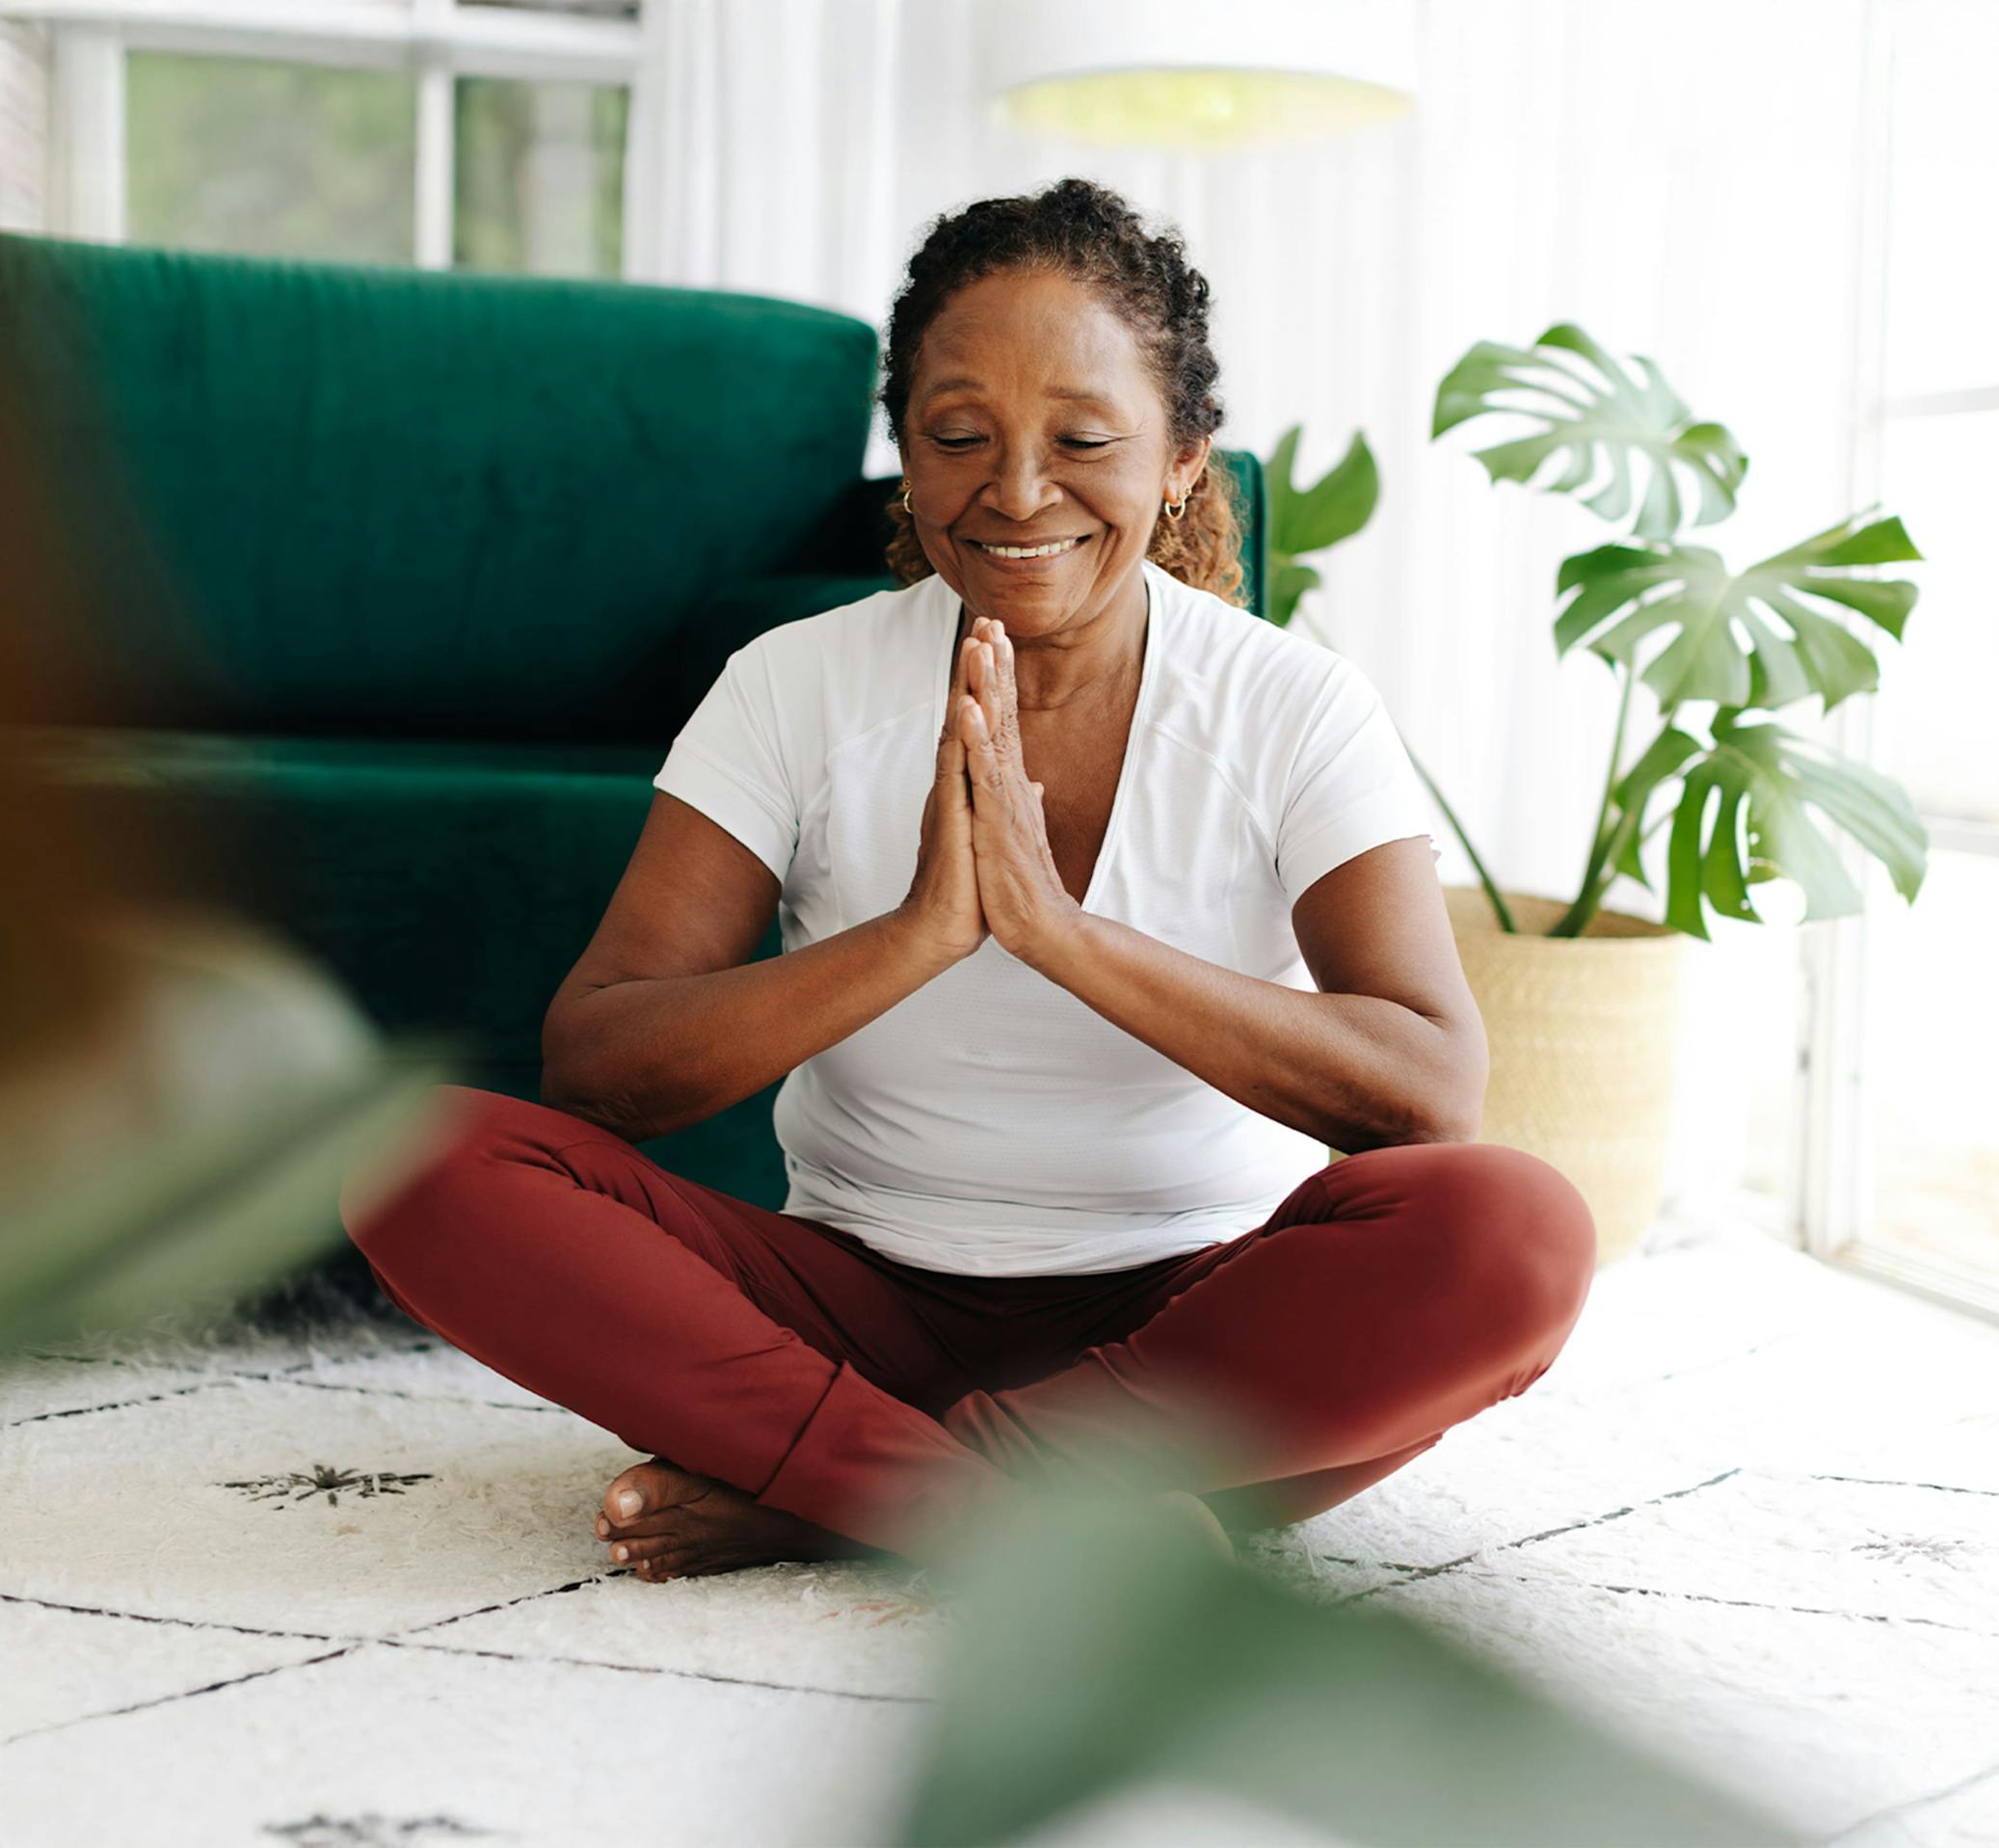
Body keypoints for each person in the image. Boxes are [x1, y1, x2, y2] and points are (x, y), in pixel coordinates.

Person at [338, 176, 1596, 1586]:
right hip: (851, 1309)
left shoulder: (1292, 706)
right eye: (957, 437)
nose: (1015, 491)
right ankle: (1009, 1504)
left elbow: (1427, 1088)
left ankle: (836, 1492)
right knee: (412, 1154)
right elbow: (603, 1060)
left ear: (1183, 457)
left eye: (1083, 440)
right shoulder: (794, 686)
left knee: (1518, 1231)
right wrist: (921, 932)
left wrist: (1059, 936)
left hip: (1195, 1330)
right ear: (907, 454)